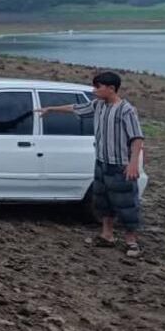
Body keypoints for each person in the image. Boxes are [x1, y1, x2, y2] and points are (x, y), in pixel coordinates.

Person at [39, 71, 146, 258]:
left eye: (98, 87)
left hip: (120, 165)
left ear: (111, 88)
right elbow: (76, 108)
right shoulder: (98, 105)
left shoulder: (125, 110)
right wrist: (51, 109)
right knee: (103, 201)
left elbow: (137, 138)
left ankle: (132, 241)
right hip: (102, 162)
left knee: (126, 204)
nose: (94, 90)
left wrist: (133, 163)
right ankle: (107, 235)